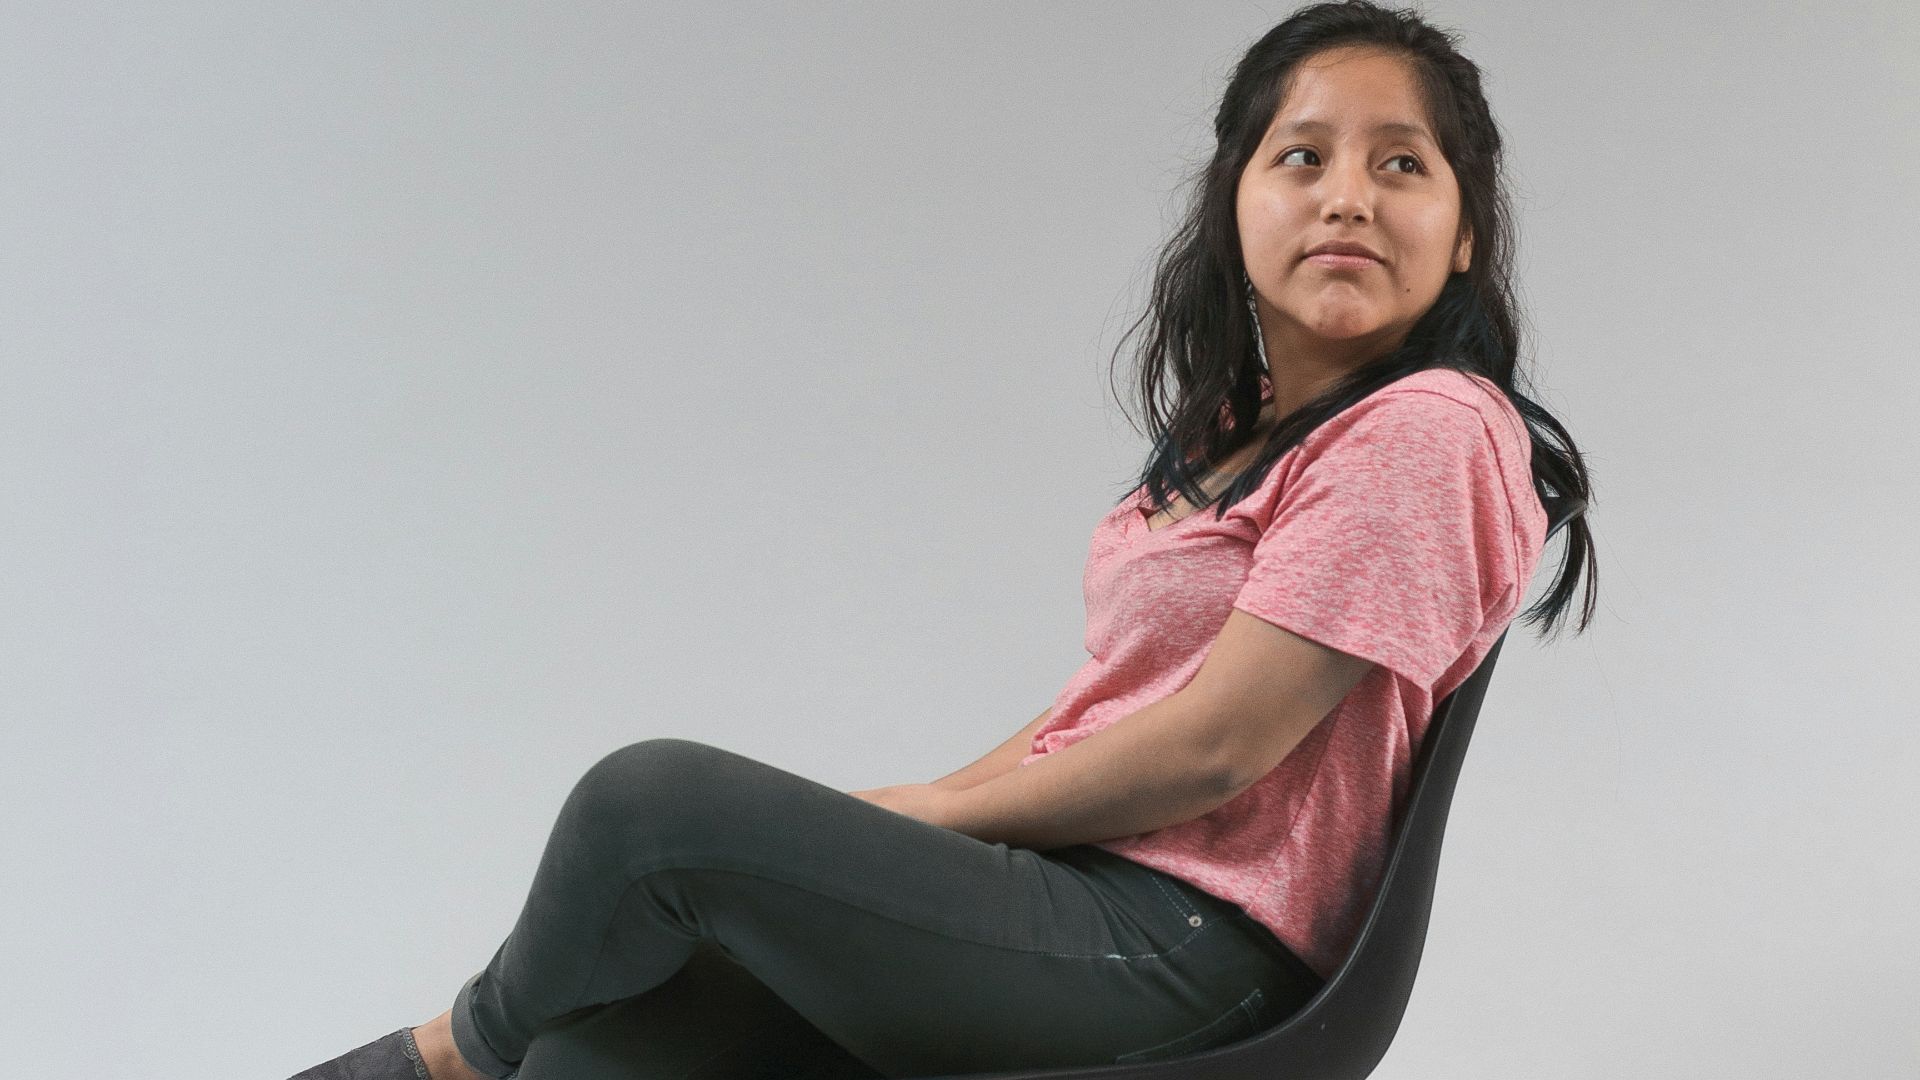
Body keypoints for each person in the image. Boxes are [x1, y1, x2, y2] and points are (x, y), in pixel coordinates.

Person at [287, 1, 1598, 1077]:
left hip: (1193, 952)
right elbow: (1102, 718)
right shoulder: (1239, 439)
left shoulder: (1427, 427)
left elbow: (1217, 745)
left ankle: (447, 1056)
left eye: (1401, 163)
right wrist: (901, 828)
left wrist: (932, 816)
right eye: (1302, 156)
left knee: (649, 811)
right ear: (1236, 200)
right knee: (600, 1061)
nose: (1347, 197)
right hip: (1082, 903)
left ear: (1468, 229)